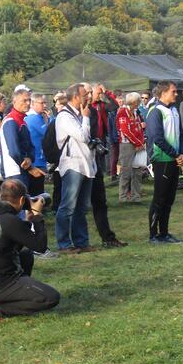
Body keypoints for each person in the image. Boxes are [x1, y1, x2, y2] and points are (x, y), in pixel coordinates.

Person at [0, 179, 60, 320]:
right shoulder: (8, 220)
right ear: (22, 199)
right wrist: (37, 216)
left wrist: (28, 222)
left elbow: (15, 240)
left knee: (26, 255)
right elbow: (40, 247)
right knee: (51, 297)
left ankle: (2, 298)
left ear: (0, 195)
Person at [54, 83, 95, 252]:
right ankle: (64, 244)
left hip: (85, 165)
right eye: (85, 94)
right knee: (68, 206)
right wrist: (86, 118)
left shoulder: (78, 114)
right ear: (76, 97)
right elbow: (82, 136)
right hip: (72, 165)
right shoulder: (65, 116)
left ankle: (81, 242)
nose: (88, 97)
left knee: (81, 208)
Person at [146, 80, 183, 245]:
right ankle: (153, 235)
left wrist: (182, 152)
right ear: (163, 93)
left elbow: (181, 134)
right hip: (162, 160)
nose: (176, 94)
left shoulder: (174, 110)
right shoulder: (155, 111)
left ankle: (164, 233)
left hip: (175, 159)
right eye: (173, 91)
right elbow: (157, 138)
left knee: (169, 199)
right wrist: (175, 154)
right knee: (159, 198)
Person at [88, 83, 126, 248]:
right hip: (83, 156)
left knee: (100, 199)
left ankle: (107, 237)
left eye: (93, 92)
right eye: (90, 92)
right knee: (76, 203)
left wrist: (106, 93)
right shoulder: (79, 112)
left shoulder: (100, 105)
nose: (92, 95)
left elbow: (114, 106)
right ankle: (73, 241)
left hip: (99, 147)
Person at [0, 89, 43, 188]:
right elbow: (14, 151)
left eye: (29, 100)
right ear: (14, 102)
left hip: (21, 169)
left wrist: (30, 158)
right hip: (14, 171)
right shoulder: (10, 121)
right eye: (24, 100)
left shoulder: (22, 121)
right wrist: (30, 168)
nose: (28, 103)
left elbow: (30, 145)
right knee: (16, 202)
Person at [116, 92, 145, 203]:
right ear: (134, 102)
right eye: (138, 101)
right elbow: (125, 130)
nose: (139, 103)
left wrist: (141, 142)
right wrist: (137, 143)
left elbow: (139, 127)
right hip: (126, 145)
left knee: (138, 170)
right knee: (126, 170)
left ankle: (135, 196)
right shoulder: (123, 112)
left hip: (139, 144)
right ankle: (123, 197)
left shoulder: (136, 112)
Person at [24, 93, 50, 195]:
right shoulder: (34, 118)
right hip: (37, 160)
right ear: (33, 104)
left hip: (36, 159)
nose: (45, 105)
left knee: (35, 190)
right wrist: (51, 118)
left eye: (45, 102)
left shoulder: (34, 117)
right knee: (37, 192)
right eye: (42, 103)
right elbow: (48, 133)